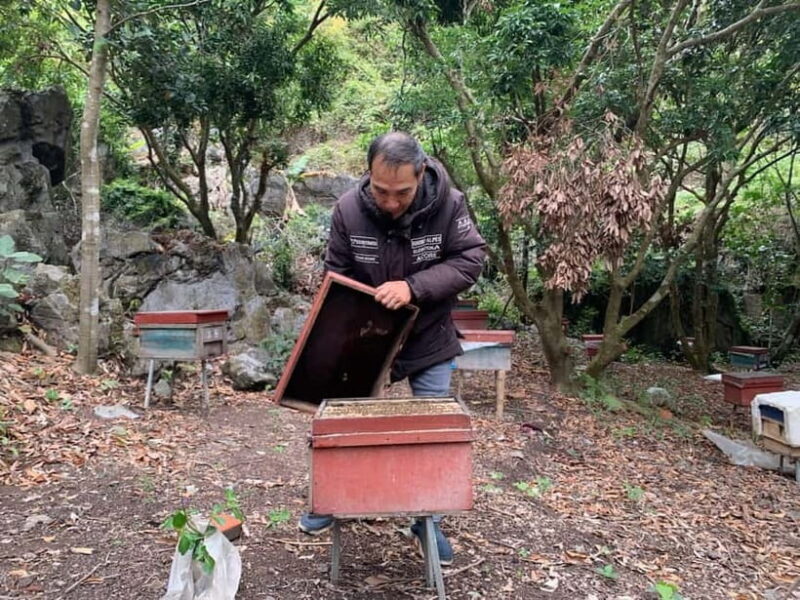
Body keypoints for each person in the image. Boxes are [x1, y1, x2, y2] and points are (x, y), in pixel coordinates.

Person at [297, 132, 486, 565]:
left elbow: (470, 259)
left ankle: (427, 519)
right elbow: (337, 271)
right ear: (369, 176)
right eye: (381, 191)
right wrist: (339, 331)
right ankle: (331, 499)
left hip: (428, 334)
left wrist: (413, 287)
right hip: (367, 335)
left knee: (431, 428)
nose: (390, 202)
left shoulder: (449, 205)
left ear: (420, 175)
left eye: (401, 193)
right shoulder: (348, 209)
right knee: (342, 419)